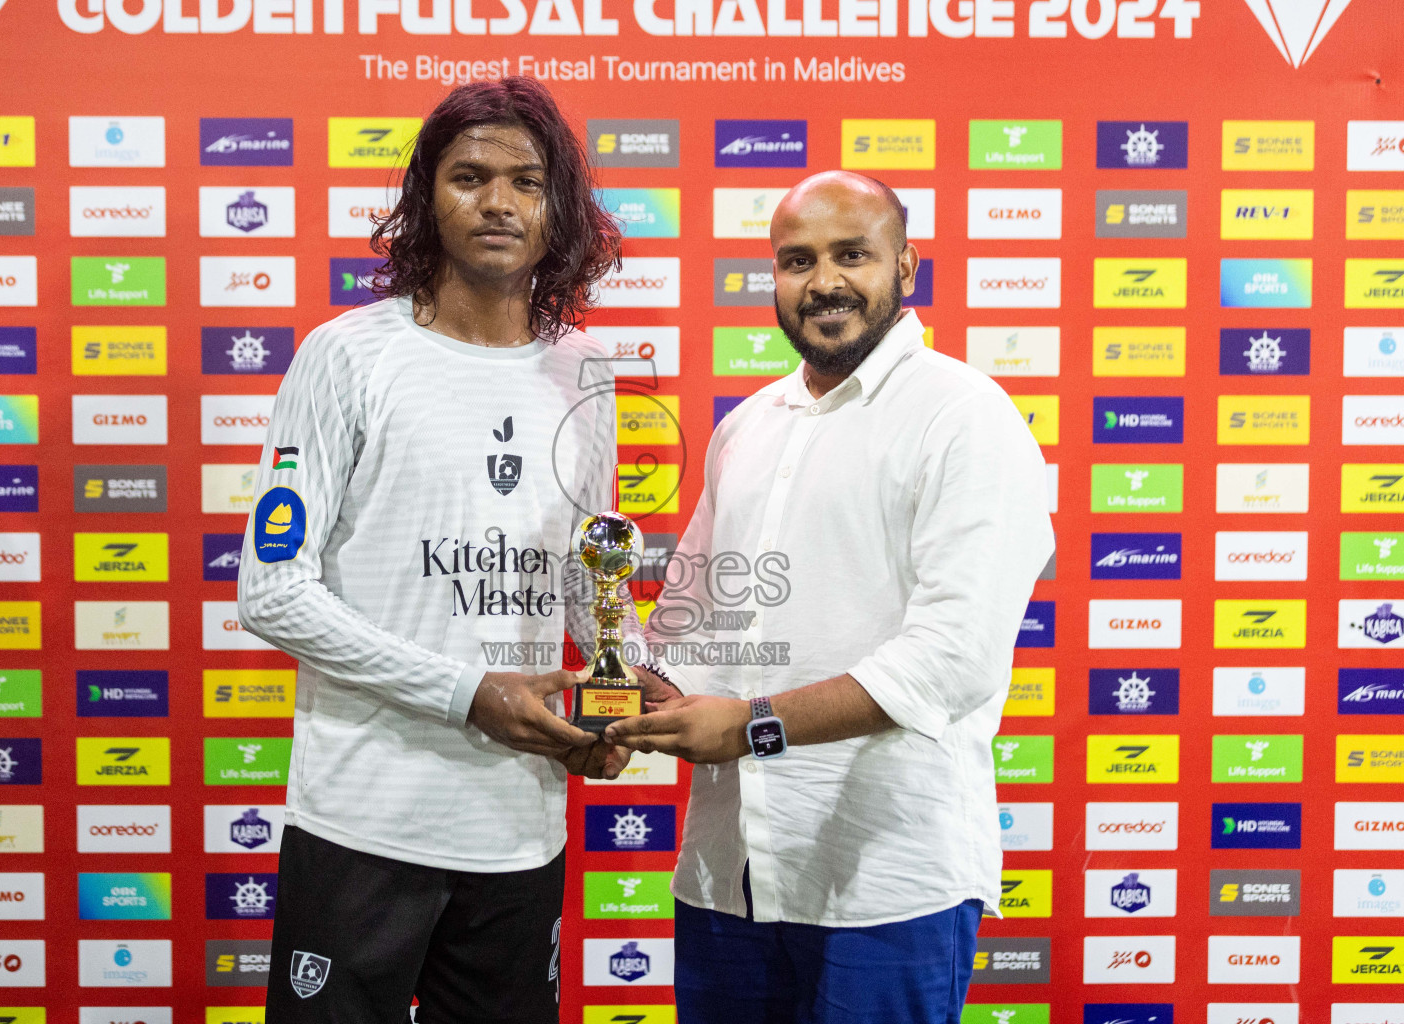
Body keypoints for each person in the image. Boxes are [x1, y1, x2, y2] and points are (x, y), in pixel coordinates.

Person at [238, 77, 648, 1024]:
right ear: (427, 197)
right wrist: (470, 694)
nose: (498, 202)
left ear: (562, 212)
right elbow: (273, 591)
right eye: (469, 177)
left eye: (527, 181)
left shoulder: (582, 372)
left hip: (516, 832)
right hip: (363, 825)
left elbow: (590, 587)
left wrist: (626, 694)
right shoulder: (347, 355)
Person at [604, 171, 1055, 1024]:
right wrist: (629, 702)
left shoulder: (965, 418)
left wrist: (748, 726)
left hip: (886, 883)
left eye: (853, 254)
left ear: (906, 266)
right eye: (796, 260)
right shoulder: (749, 427)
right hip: (728, 874)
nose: (823, 282)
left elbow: (950, 660)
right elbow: (693, 630)